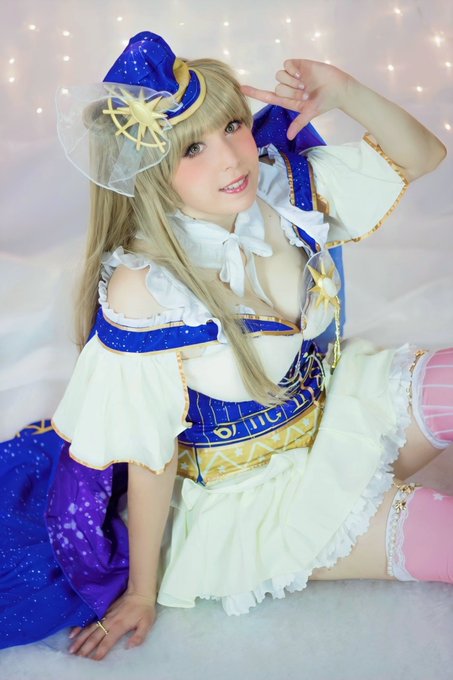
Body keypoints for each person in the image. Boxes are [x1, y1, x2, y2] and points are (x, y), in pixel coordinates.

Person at [0, 30, 450, 662]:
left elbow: (424, 155)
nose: (232, 159)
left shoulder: (278, 190)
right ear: (151, 171)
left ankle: (368, 482)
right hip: (261, 503)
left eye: (233, 125)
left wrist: (346, 90)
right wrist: (142, 591)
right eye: (193, 149)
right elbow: (152, 455)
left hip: (338, 418)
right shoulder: (147, 289)